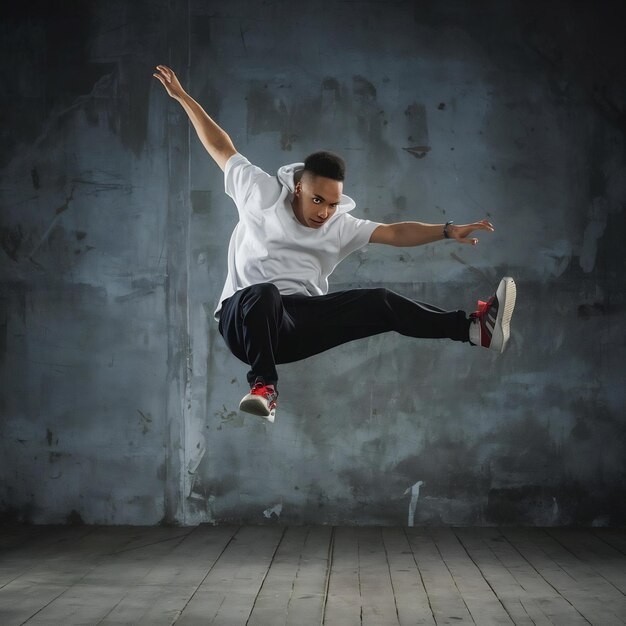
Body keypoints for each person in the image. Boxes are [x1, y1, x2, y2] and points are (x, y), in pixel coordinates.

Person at [154, 65, 516, 424]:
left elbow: (394, 232)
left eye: (331, 203)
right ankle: (264, 387)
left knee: (380, 301)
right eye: (317, 201)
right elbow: (221, 146)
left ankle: (474, 330)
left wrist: (447, 229)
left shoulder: (340, 224)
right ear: (298, 188)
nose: (325, 212)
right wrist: (183, 97)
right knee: (264, 294)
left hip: (296, 325)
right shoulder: (259, 192)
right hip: (242, 321)